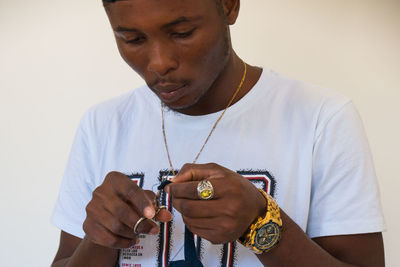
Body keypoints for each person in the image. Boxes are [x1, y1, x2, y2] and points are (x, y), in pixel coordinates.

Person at [51, 0, 385, 266]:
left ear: (228, 6)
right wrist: (100, 238)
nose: (159, 62)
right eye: (133, 39)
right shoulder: (103, 124)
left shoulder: (322, 119)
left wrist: (260, 222)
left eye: (182, 32)